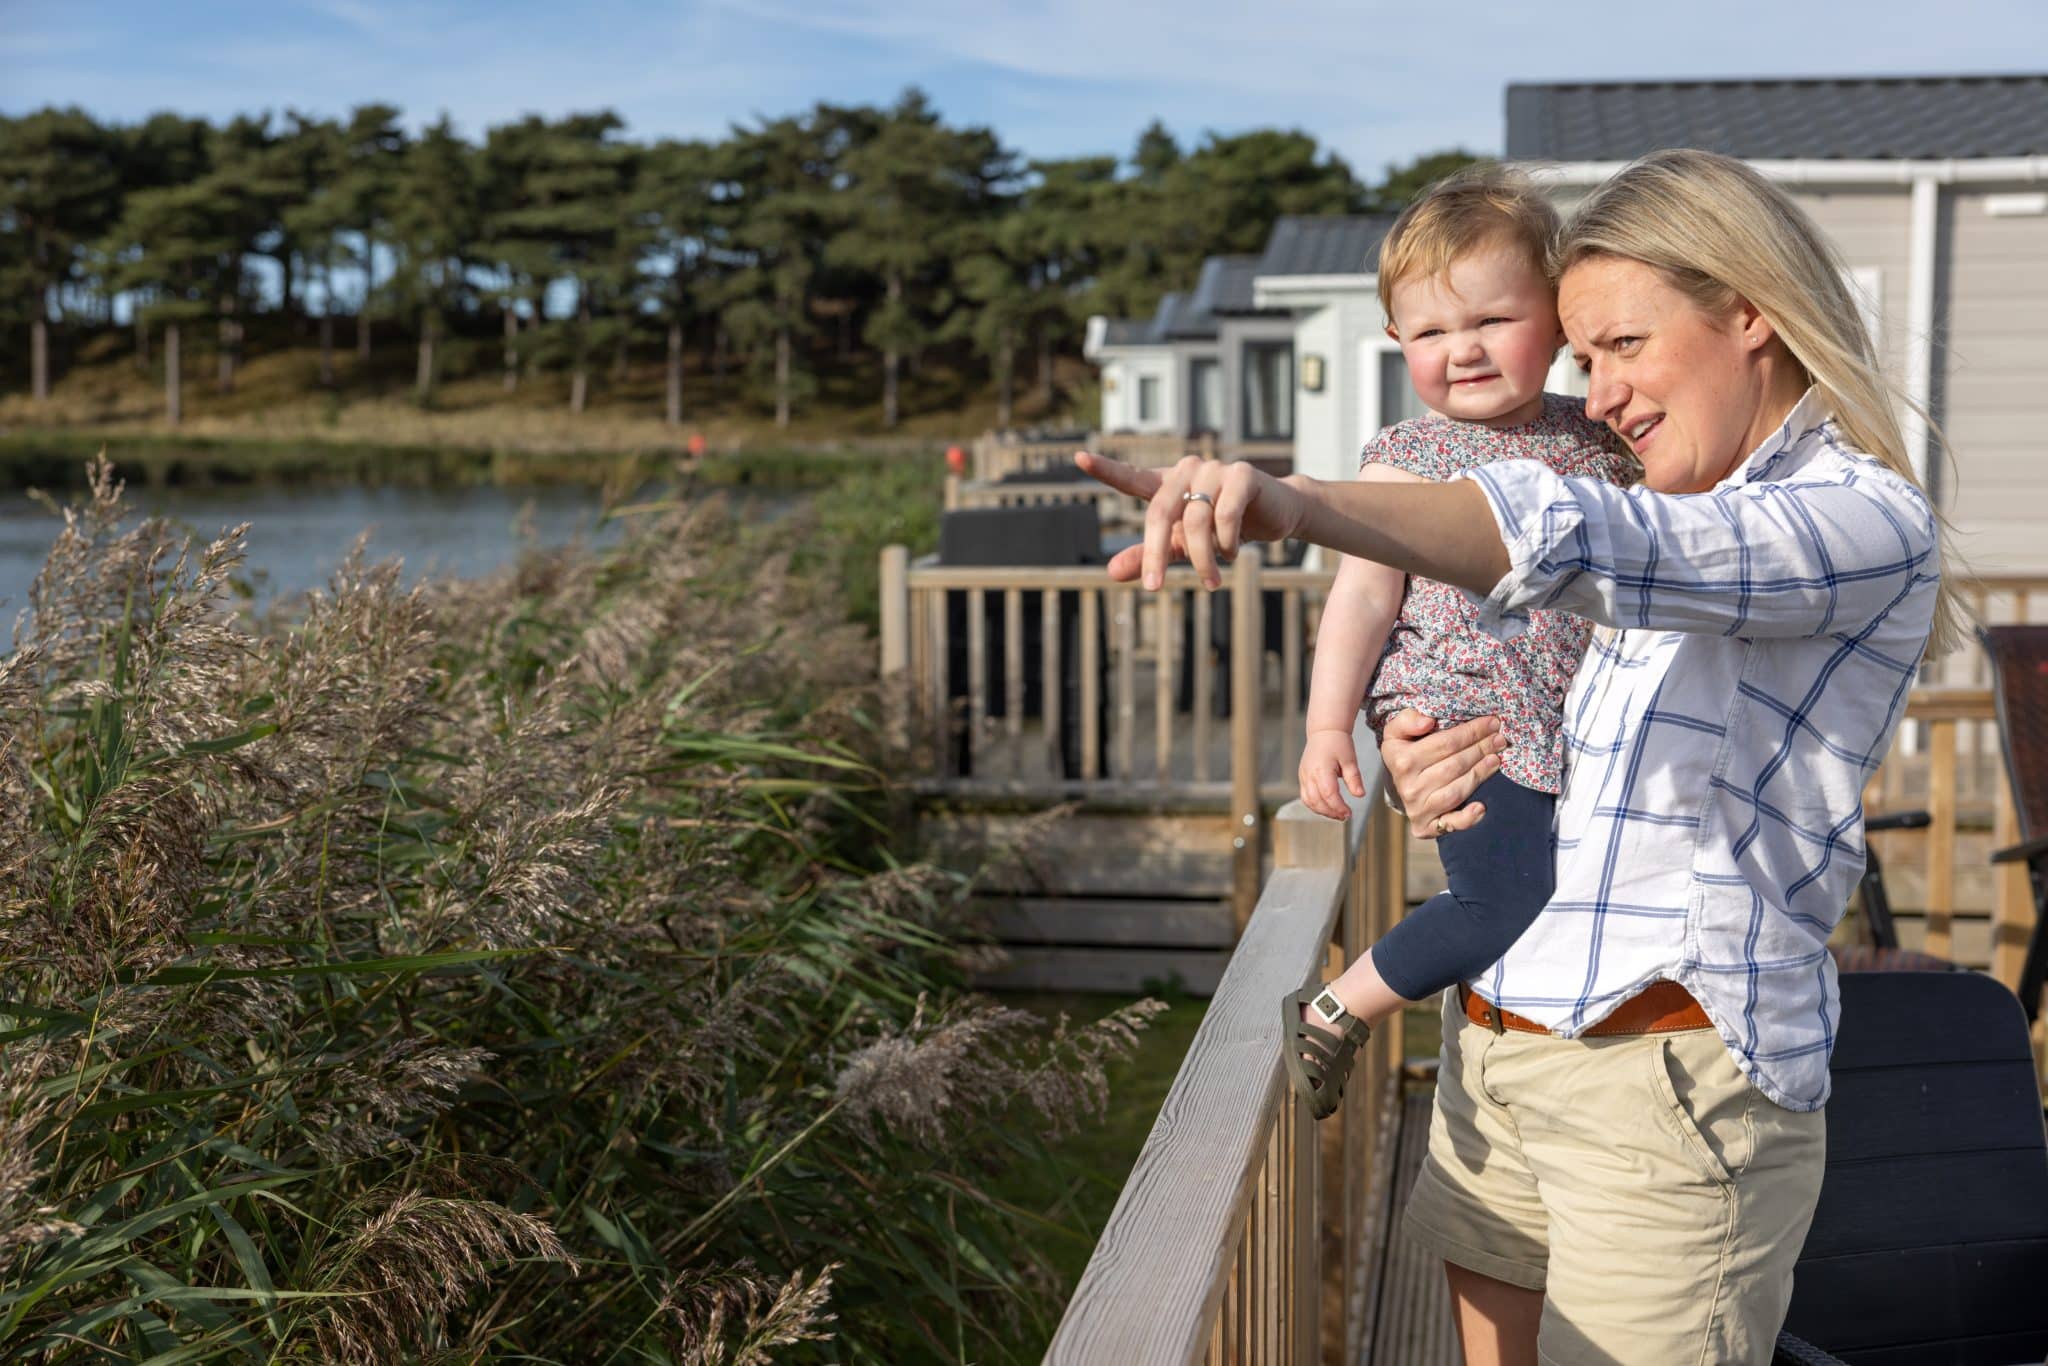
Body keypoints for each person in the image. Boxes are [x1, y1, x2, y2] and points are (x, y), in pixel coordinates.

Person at [1076, 148, 1960, 1365]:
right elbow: (1551, 717)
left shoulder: (1848, 516)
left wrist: (1303, 504)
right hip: (1493, 1037)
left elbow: (1587, 539)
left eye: (1621, 346)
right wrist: (1407, 727)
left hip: (1659, 1085)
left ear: (1749, 309)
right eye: (1586, 356)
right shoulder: (1670, 489)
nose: (1597, 393)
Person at [1287, 165, 1635, 1120]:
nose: (1463, 350)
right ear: (1397, 341)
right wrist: (1329, 731)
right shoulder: (1404, 462)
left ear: (1558, 323)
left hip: (1565, 709)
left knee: (1555, 896)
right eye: (1432, 332)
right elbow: (1358, 602)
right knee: (1507, 898)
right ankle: (1337, 1006)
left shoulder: (1602, 439)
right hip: (1468, 714)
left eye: (1491, 321)